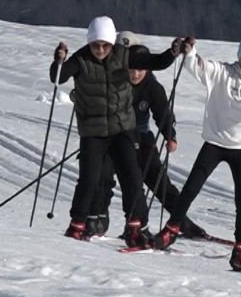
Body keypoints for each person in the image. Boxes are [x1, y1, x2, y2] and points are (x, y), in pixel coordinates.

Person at [156, 36, 241, 260]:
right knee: (191, 187)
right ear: (239, 57)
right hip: (215, 142)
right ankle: (171, 229)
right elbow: (201, 68)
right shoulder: (224, 72)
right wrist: (190, 52)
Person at [50, 16, 184, 246]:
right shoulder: (80, 59)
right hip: (93, 132)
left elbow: (156, 62)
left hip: (122, 129)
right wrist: (58, 61)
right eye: (96, 45)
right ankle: (77, 225)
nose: (100, 50)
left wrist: (173, 52)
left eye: (105, 45)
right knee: (89, 179)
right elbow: (57, 77)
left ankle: (135, 227)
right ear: (89, 42)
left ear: (113, 42)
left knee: (132, 177)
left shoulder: (124, 55)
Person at [88, 40, 210, 241]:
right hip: (114, 138)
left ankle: (181, 221)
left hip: (141, 138)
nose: (135, 74)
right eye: (132, 69)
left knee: (159, 182)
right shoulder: (116, 82)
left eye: (141, 69)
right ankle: (102, 220)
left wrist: (170, 136)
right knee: (104, 178)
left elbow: (162, 114)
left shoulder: (153, 87)